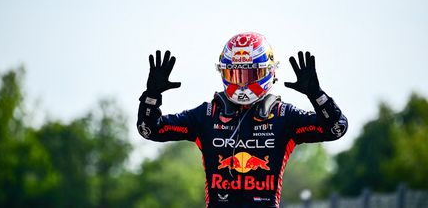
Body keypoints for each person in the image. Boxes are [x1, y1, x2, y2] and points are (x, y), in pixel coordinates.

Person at [137, 32, 348, 208]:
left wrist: (317, 95)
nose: (242, 83)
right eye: (235, 74)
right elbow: (150, 130)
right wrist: (152, 96)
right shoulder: (207, 115)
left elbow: (336, 128)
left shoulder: (285, 116)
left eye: (250, 75)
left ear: (268, 72)